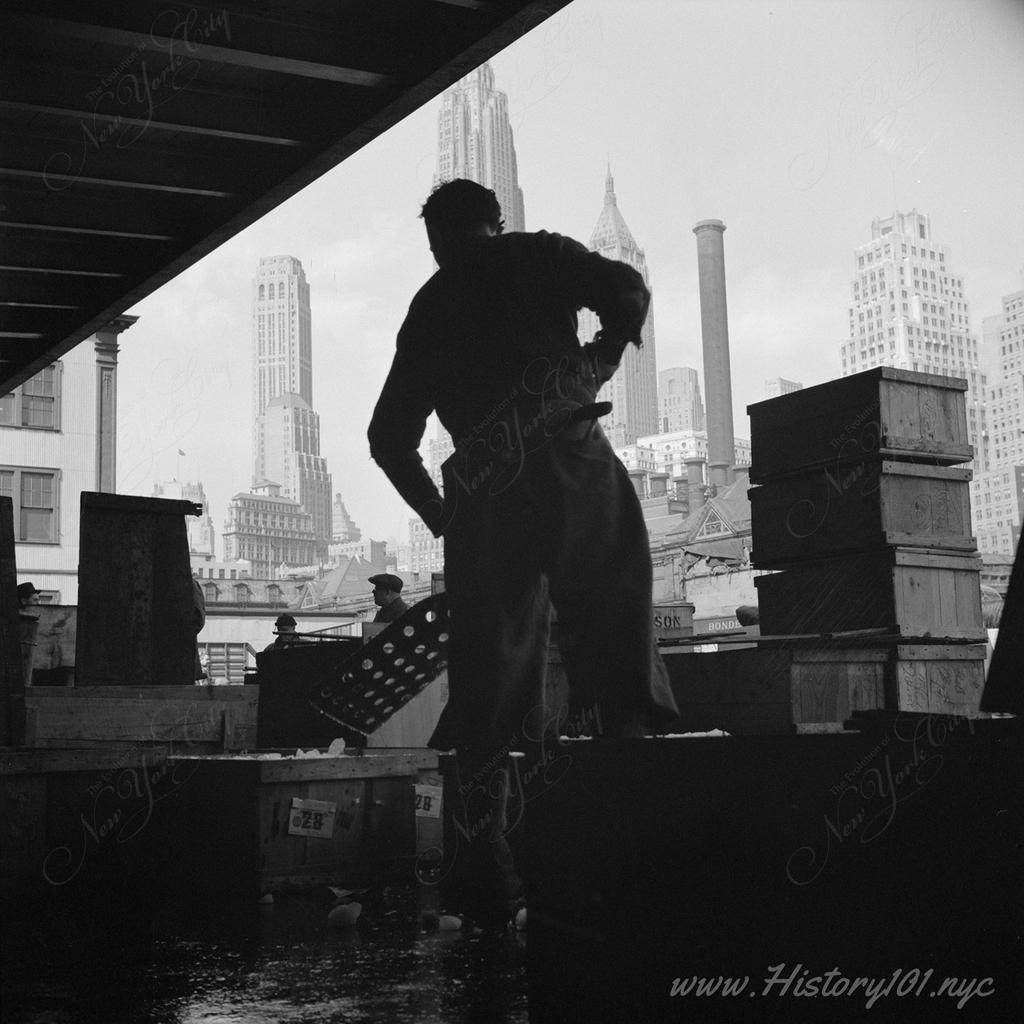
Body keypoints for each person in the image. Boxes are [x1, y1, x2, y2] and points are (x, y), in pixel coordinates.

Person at [367, 179, 679, 930]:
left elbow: (388, 439)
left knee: (488, 695)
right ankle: (630, 867)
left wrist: (443, 515)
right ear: (495, 223)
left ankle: (486, 891)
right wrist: (601, 355)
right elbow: (628, 291)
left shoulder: (429, 306)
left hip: (484, 494)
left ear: (437, 240)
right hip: (568, 455)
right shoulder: (536, 255)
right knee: (613, 640)